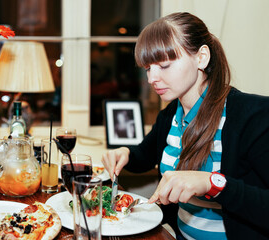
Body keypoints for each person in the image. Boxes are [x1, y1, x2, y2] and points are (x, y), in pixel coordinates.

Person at [102, 12, 269, 240]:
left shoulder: (253, 115)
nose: (152, 78)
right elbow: (144, 155)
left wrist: (213, 184)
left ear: (201, 58)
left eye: (164, 65)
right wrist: (126, 153)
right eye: (148, 68)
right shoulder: (172, 112)